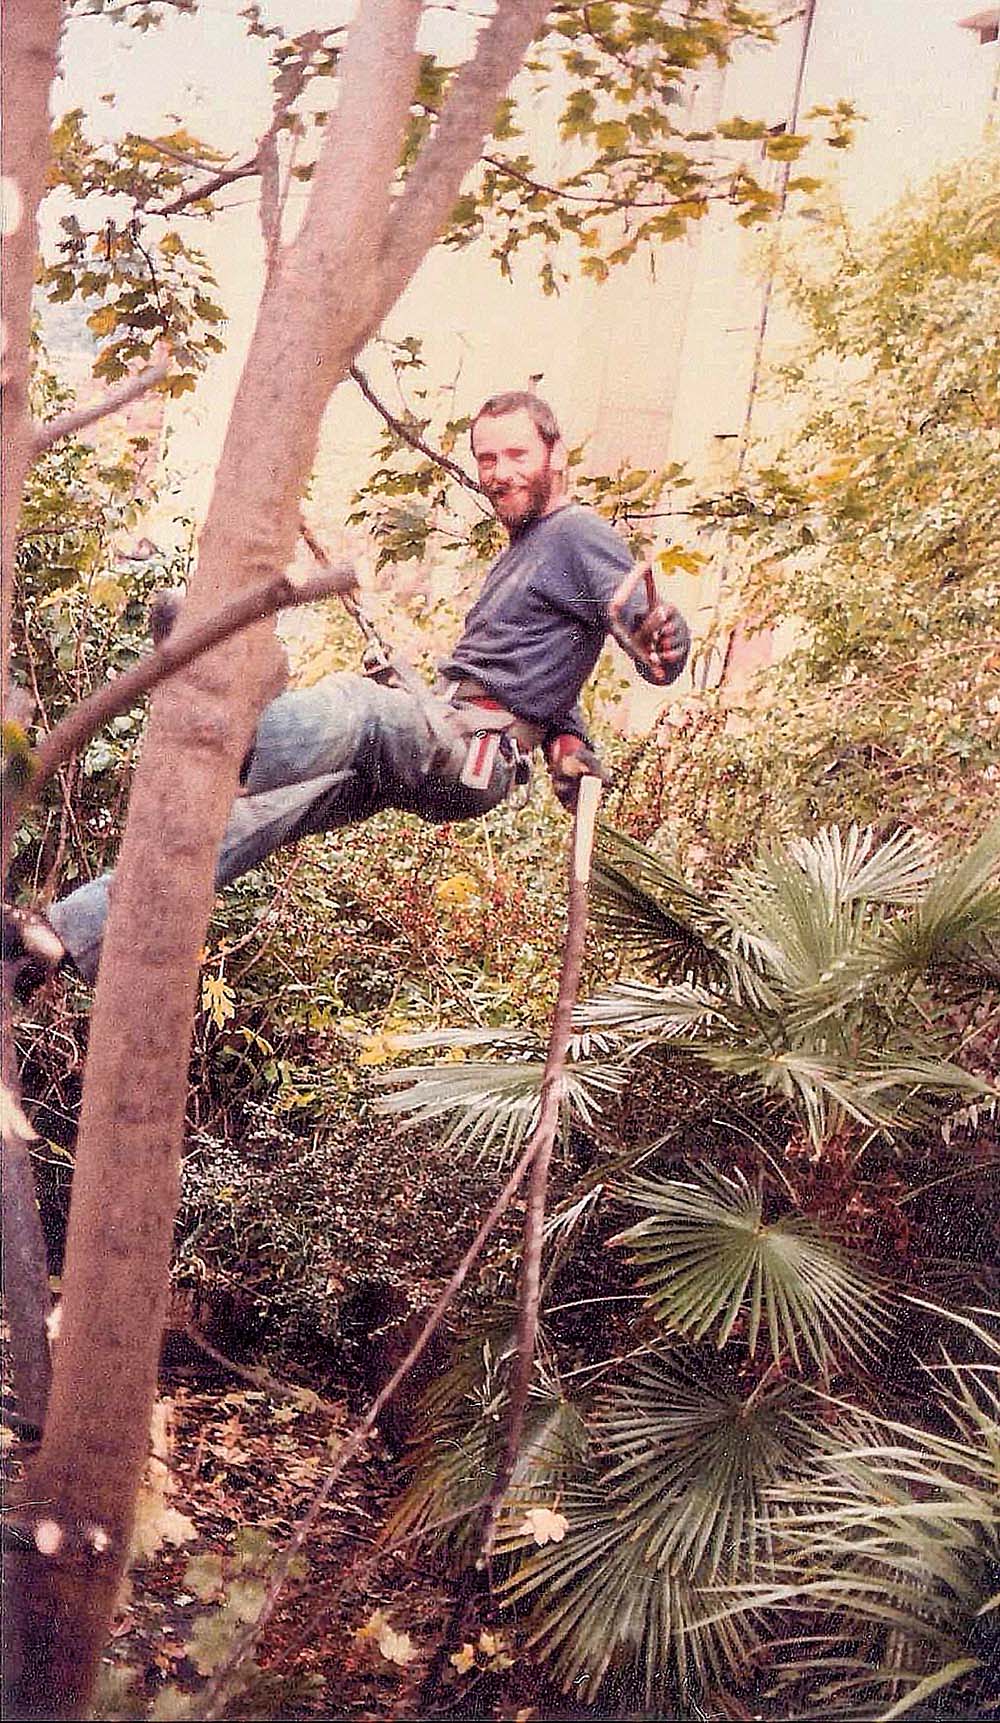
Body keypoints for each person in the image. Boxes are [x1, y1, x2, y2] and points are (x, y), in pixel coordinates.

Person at [3, 391, 690, 994]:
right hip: (450, 732)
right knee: (241, 822)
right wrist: (568, 741)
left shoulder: (577, 533)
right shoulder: (527, 548)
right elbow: (551, 669)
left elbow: (647, 634)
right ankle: (60, 936)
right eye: (487, 459)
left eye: (517, 455)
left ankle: (234, 727)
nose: (499, 473)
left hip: (472, 754)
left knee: (358, 706)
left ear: (556, 455)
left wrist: (664, 639)